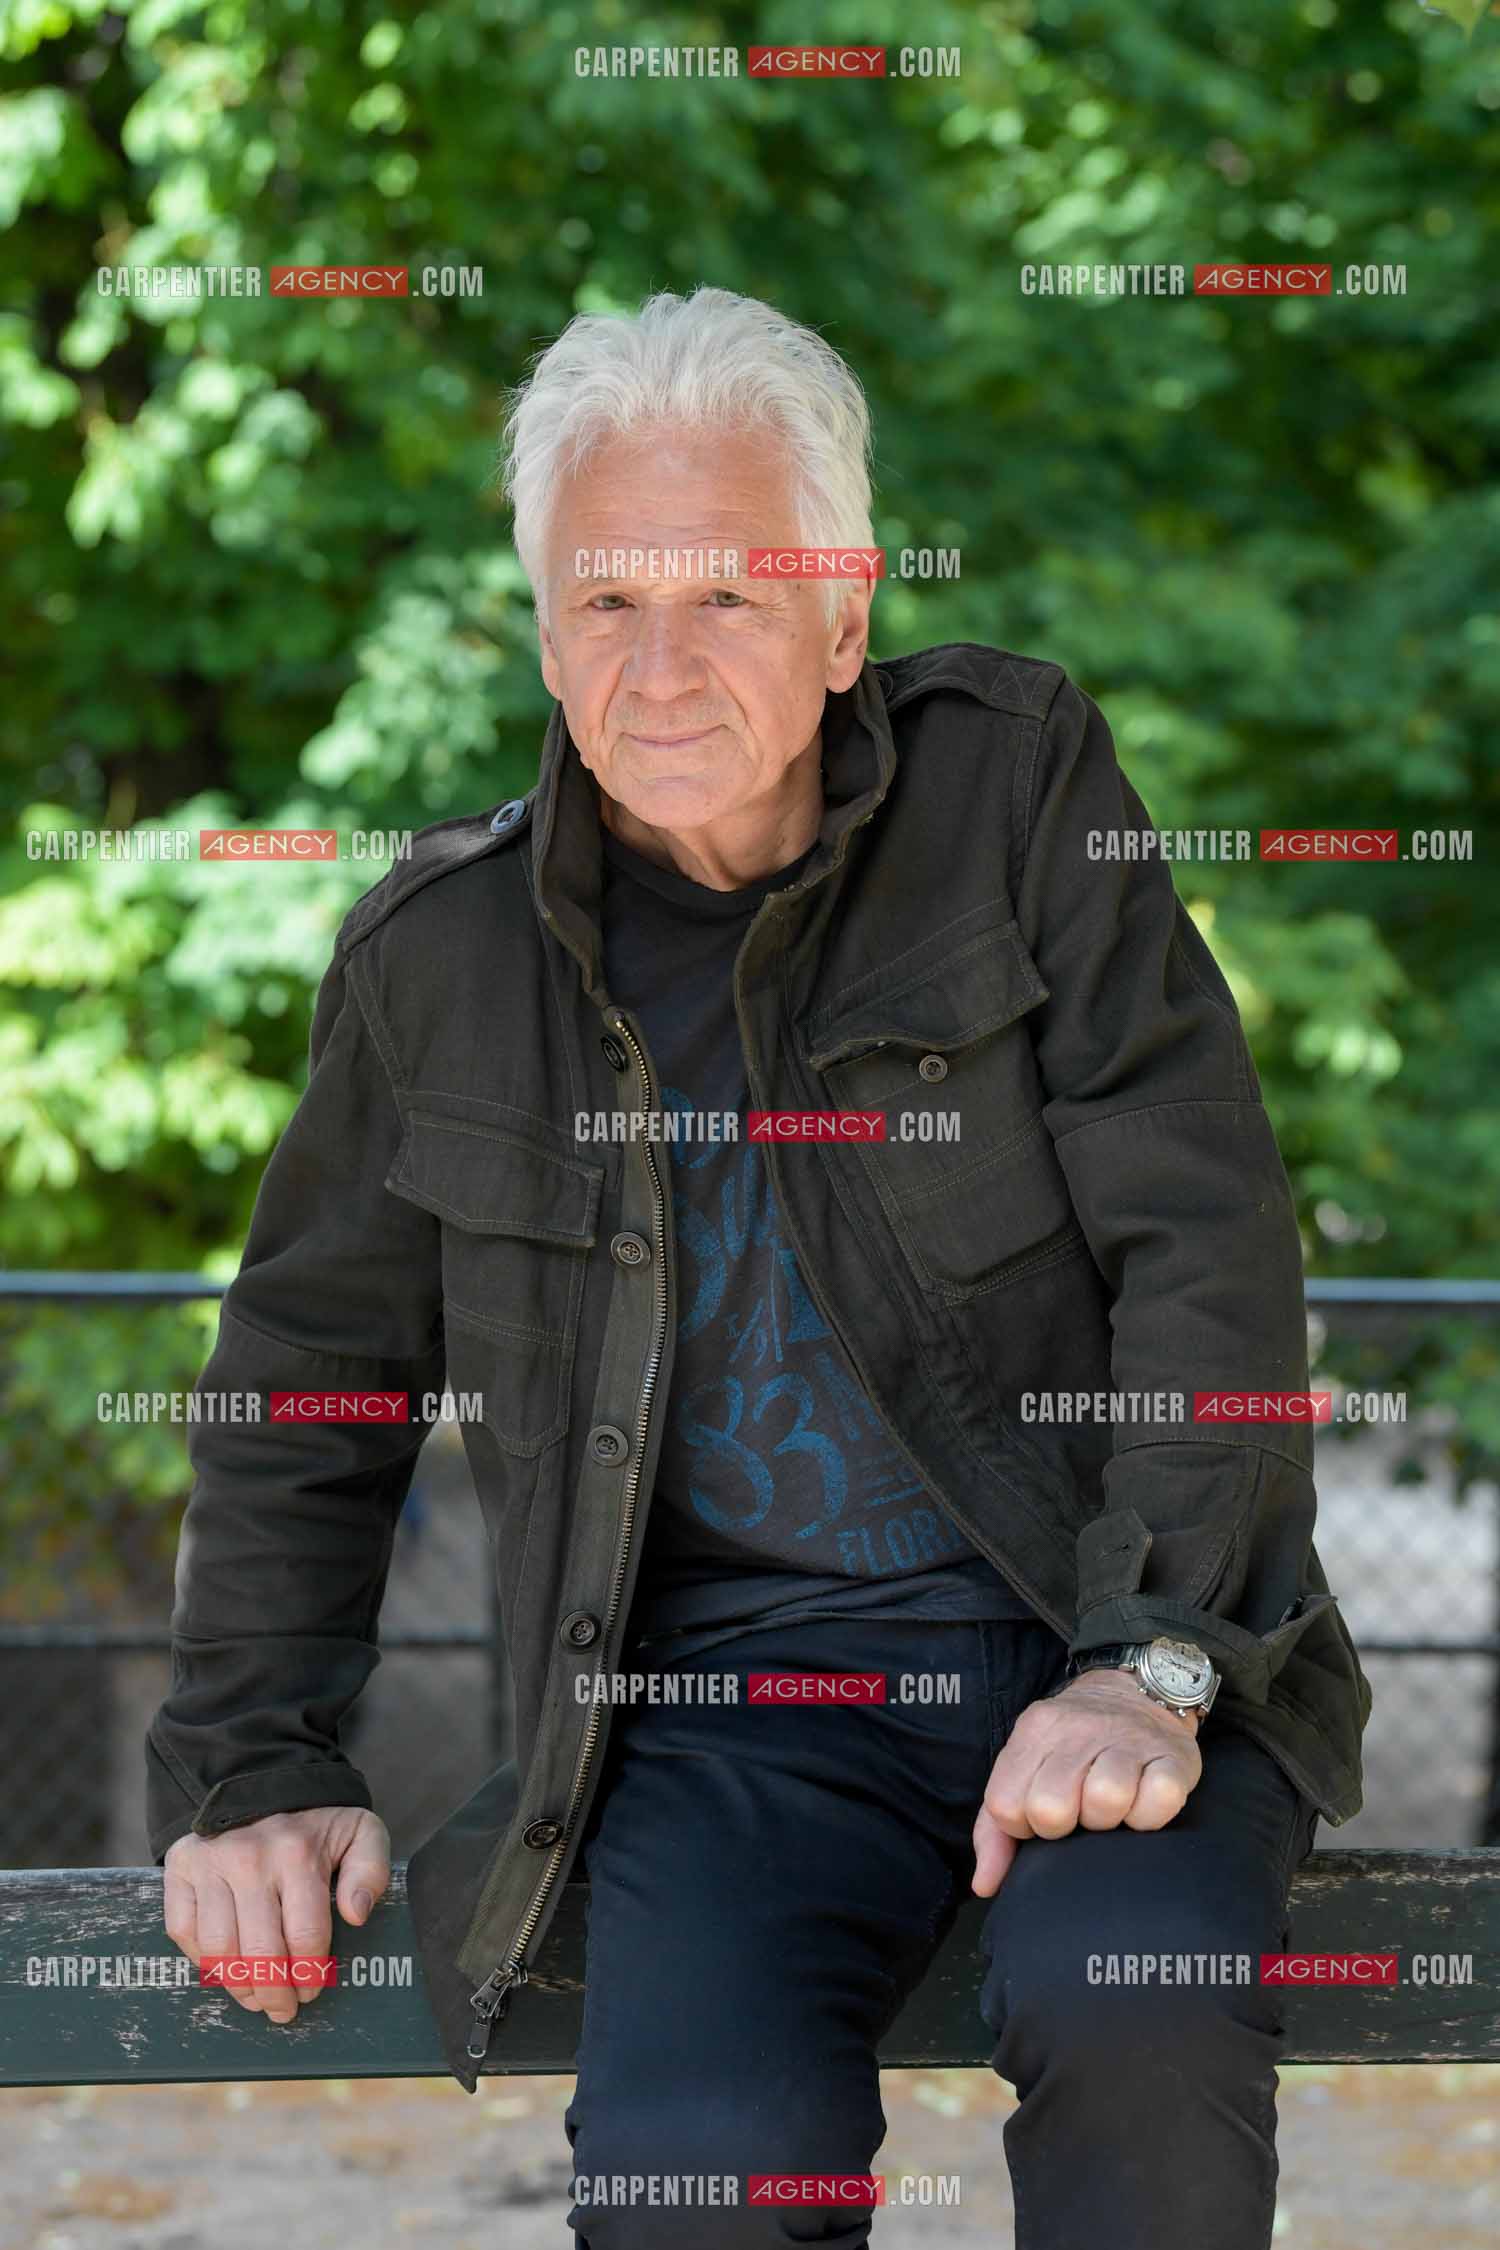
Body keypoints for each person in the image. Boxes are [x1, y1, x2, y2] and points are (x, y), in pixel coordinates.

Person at [149, 286, 1371, 2247]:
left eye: (727, 595)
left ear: (843, 611)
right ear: (543, 627)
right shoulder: (434, 965)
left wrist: (1151, 1670)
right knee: (700, 2181)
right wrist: (250, 1769)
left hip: (1103, 1641)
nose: (659, 666)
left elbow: (1205, 1244)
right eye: (604, 601)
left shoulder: (1015, 792)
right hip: (724, 1715)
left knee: (1128, 2021)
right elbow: (313, 1380)